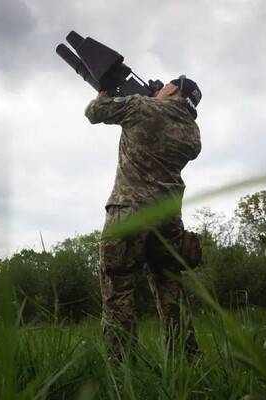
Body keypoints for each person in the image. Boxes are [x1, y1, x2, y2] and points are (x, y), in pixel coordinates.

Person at [84, 75, 202, 360]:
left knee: (119, 286)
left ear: (173, 88)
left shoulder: (141, 107)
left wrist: (105, 91)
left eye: (164, 87)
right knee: (171, 287)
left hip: (129, 211)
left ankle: (122, 365)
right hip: (168, 220)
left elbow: (94, 112)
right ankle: (187, 360)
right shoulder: (193, 134)